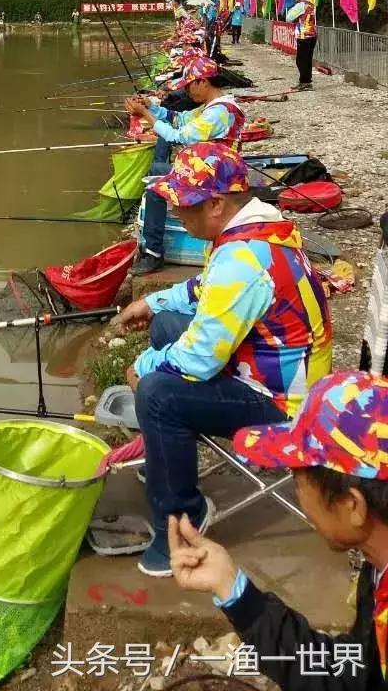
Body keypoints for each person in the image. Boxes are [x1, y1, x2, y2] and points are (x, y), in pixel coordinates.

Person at [118, 142, 332, 577]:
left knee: (158, 392)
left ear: (216, 204)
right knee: (166, 325)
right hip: (265, 368)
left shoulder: (242, 260)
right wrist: (155, 302)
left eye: (183, 206)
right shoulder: (252, 231)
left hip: (283, 404)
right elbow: (206, 288)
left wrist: (140, 369)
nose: (177, 214)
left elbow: (196, 361)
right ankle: (170, 457)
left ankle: (179, 521)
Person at [169, 369, 388, 689]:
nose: (298, 496)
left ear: (352, 506)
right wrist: (234, 590)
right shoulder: (378, 565)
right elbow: (353, 675)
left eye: (297, 481)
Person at [125, 57, 245, 274]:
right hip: (209, 166)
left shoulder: (219, 112)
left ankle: (154, 253)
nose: (187, 91)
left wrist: (145, 115)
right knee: (157, 171)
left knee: (155, 187)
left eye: (189, 85)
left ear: (203, 82)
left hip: (217, 175)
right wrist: (152, 106)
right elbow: (179, 119)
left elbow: (177, 136)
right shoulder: (212, 106)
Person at [286, 0, 317, 91]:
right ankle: (307, 82)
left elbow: (288, 18)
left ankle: (304, 82)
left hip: (303, 35)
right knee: (307, 60)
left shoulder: (300, 5)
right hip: (312, 35)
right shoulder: (311, 4)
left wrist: (291, 10)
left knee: (301, 61)